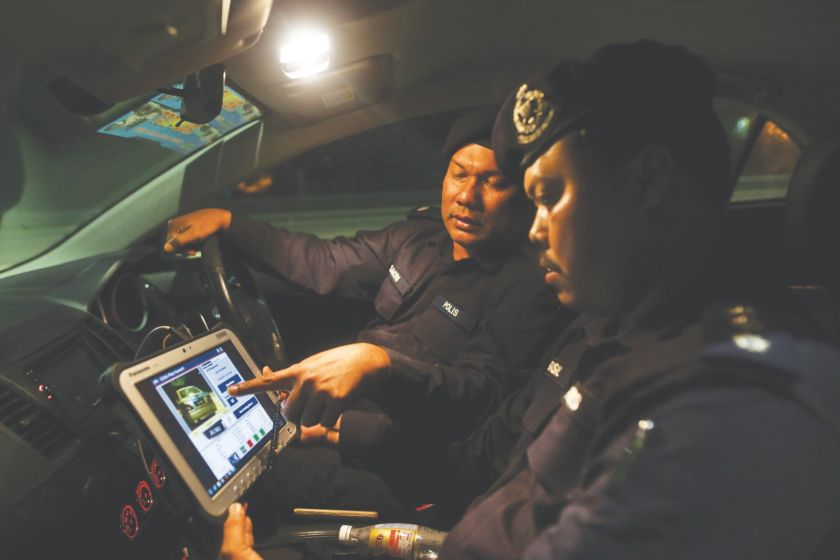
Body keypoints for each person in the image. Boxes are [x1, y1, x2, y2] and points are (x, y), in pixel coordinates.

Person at [222, 41, 840, 559]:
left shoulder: (729, 405)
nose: (536, 228)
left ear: (648, 182)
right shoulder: (619, 342)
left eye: (551, 196)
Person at [167, 107, 569, 515]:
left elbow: (477, 393)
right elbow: (324, 261)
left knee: (228, 480)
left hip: (402, 465)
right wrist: (229, 222)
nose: (467, 196)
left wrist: (379, 365)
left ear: (525, 194)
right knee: (214, 447)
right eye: (459, 174)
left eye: (494, 182)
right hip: (338, 419)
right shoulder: (416, 237)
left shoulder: (530, 286)